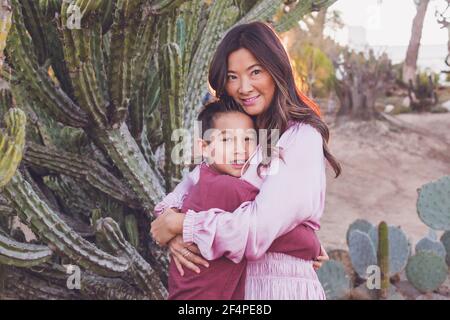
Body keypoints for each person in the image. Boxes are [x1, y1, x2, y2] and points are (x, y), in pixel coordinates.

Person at [151, 21, 341, 299]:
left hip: (279, 286)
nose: (244, 87)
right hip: (237, 288)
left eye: (255, 72)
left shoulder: (301, 137)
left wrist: (184, 226)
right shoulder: (238, 135)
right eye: (232, 76)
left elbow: (256, 231)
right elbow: (185, 194)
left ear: (276, 70)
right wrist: (173, 234)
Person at [165, 100, 323, 300]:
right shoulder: (228, 188)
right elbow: (281, 234)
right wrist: (314, 246)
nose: (240, 150)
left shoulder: (202, 179)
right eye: (226, 140)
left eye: (248, 139)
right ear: (204, 147)